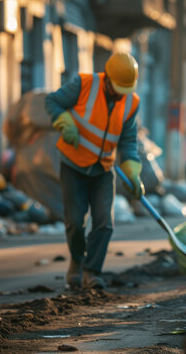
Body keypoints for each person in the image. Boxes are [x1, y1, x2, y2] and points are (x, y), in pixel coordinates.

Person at [45, 52, 144, 289]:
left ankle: (91, 272)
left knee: (104, 223)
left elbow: (128, 140)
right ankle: (76, 263)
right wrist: (65, 121)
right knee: (75, 221)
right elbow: (52, 101)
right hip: (73, 164)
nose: (121, 94)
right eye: (118, 88)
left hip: (102, 169)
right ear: (107, 78)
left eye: (125, 89)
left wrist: (132, 171)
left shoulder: (131, 102)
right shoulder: (85, 84)